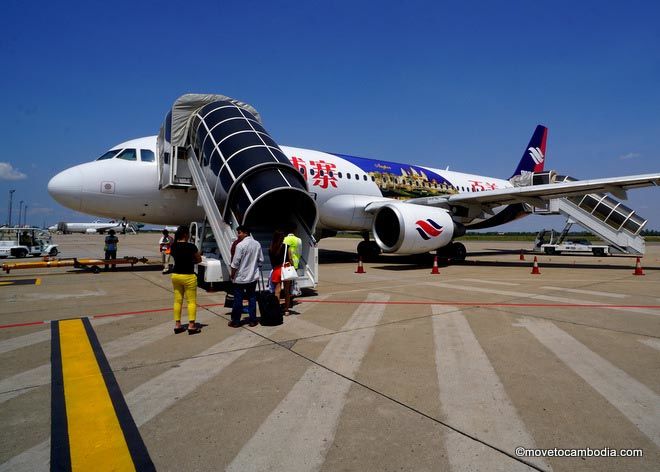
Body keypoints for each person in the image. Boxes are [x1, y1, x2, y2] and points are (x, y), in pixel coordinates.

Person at [169, 225, 202, 334]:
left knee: (177, 301)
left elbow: (174, 256)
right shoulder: (191, 246)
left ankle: (177, 325)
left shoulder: (173, 246)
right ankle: (191, 326)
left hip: (176, 275)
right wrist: (191, 261)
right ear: (185, 235)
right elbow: (199, 259)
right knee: (191, 301)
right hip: (188, 276)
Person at [229, 226, 263, 328]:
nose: (238, 235)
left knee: (238, 299)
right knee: (252, 298)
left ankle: (236, 321)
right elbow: (261, 260)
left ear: (245, 233)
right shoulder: (257, 244)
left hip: (240, 277)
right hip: (252, 277)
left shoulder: (240, 245)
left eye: (239, 233)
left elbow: (235, 263)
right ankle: (253, 320)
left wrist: (232, 274)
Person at [282, 223, 303, 312]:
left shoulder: (284, 239)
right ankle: (290, 300)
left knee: (286, 285)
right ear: (295, 230)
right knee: (292, 284)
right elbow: (300, 252)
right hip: (295, 264)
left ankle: (287, 303)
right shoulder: (298, 240)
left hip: (286, 265)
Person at [268, 230, 289, 313]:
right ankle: (286, 310)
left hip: (276, 270)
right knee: (287, 291)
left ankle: (276, 309)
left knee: (277, 291)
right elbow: (289, 258)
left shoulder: (271, 248)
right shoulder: (286, 247)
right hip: (285, 269)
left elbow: (272, 262)